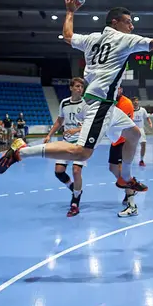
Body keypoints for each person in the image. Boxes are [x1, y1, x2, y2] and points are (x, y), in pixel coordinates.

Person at [0, 0, 153, 193]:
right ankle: (22, 151)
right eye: (128, 22)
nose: (132, 26)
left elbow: (67, 36)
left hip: (106, 104)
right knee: (82, 153)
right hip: (100, 103)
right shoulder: (124, 40)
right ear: (115, 23)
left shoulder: (92, 39)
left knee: (134, 134)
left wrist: (70, 11)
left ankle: (126, 179)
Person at [43, 77, 87, 217]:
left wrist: (76, 130)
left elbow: (89, 125)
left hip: (80, 142)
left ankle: (75, 202)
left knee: (76, 171)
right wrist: (50, 134)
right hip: (66, 142)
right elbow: (60, 120)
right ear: (71, 88)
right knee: (59, 172)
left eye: (82, 86)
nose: (80, 88)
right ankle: (75, 188)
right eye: (77, 86)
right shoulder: (64, 103)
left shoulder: (86, 104)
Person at [108, 87, 139, 217]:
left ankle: (132, 205)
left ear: (121, 89)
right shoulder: (109, 101)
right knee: (113, 168)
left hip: (124, 140)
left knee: (124, 172)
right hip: (115, 141)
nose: (117, 90)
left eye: (119, 88)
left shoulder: (126, 103)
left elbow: (120, 126)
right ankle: (130, 186)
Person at [131, 97, 152, 166]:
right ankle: (127, 160)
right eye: (134, 101)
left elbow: (147, 117)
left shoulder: (143, 110)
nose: (136, 102)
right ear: (132, 102)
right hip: (132, 130)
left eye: (136, 100)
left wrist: (150, 123)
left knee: (143, 144)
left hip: (140, 129)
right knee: (130, 146)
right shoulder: (130, 110)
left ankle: (141, 160)